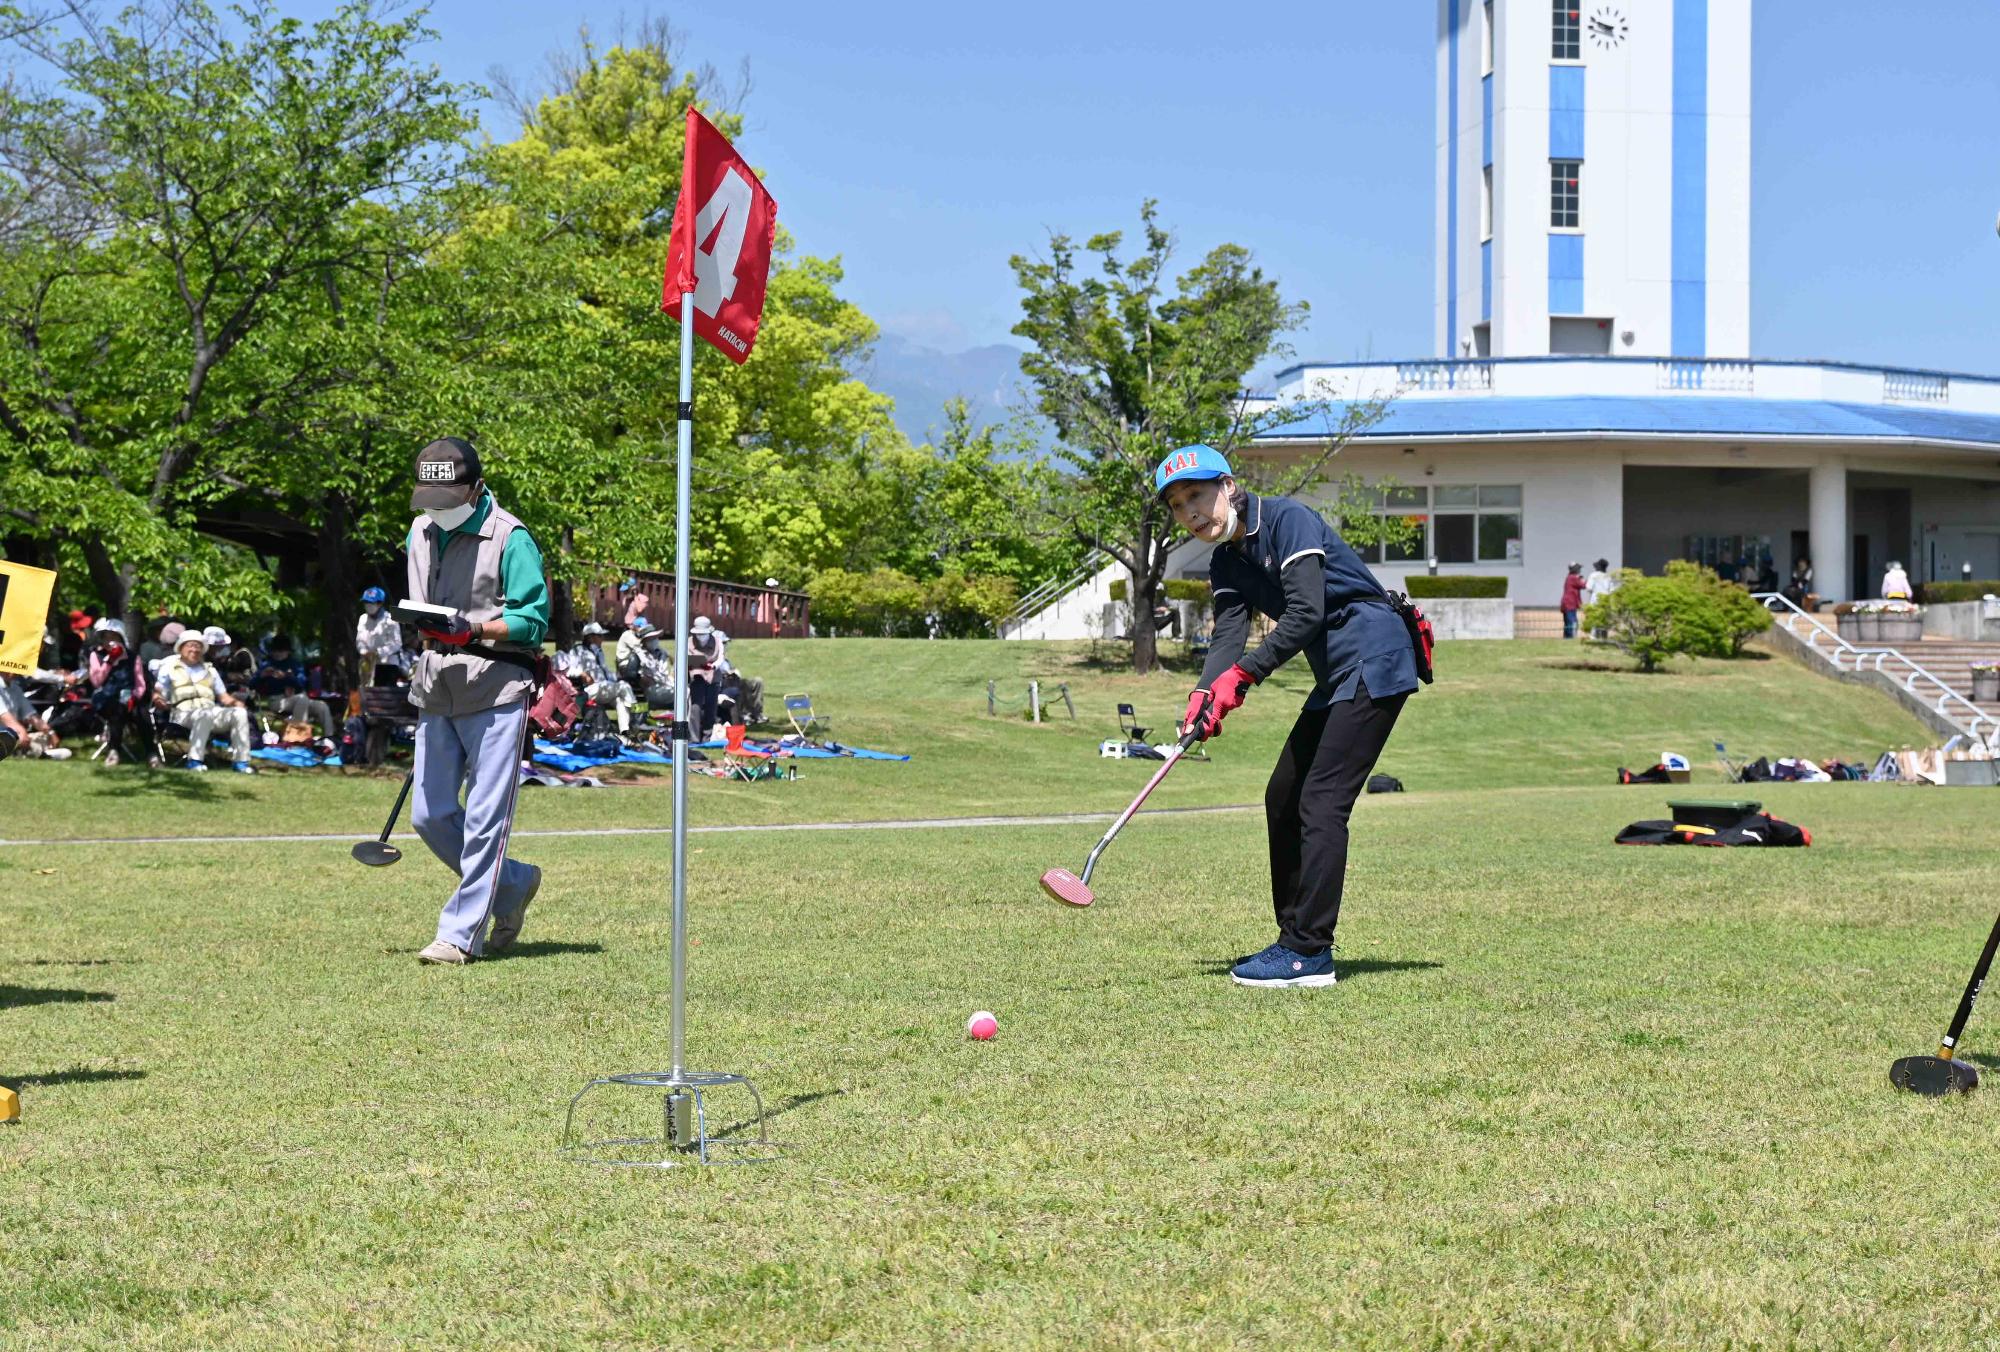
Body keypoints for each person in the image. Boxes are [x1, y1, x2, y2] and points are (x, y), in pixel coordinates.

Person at [1158, 444, 1419, 989]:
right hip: (1336, 671)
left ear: (1228, 486)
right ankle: (1291, 940)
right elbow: (1228, 635)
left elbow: (1306, 613)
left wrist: (1245, 677)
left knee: (1323, 799)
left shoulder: (1288, 520)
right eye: (1179, 505)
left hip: (1375, 653)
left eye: (1198, 495)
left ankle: (1308, 951)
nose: (1191, 513)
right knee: (1284, 794)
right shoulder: (1226, 562)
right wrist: (1205, 694)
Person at [401, 436, 547, 966]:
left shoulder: (512, 538)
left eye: (448, 500)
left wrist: (476, 630)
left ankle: (459, 935)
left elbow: (533, 620)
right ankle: (513, 884)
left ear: (477, 488)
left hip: (497, 687)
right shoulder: (420, 530)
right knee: (429, 814)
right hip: (436, 685)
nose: (437, 512)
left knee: (486, 819)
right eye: (429, 500)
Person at [152, 630, 255, 773]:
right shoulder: (170, 668)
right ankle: (194, 761)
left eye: (198, 646)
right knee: (204, 714)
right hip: (182, 714)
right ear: (181, 648)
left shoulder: (210, 670)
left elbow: (223, 696)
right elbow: (158, 692)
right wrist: (159, 700)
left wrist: (237, 704)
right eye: (190, 645)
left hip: (210, 711)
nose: (194, 649)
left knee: (239, 713)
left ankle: (241, 761)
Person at [87, 621, 160, 768]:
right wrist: (109, 661)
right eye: (106, 637)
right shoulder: (97, 655)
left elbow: (140, 684)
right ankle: (114, 750)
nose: (110, 641)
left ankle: (152, 754)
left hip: (130, 697)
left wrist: (135, 697)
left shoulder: (133, 657)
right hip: (106, 698)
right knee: (116, 710)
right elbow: (96, 682)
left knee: (142, 713)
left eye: (113, 637)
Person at [559, 620, 636, 733]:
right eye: (600, 636)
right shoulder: (577, 651)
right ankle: (637, 718)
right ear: (590, 637)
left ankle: (625, 731)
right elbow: (568, 669)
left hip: (604, 688)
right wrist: (582, 674)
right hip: (590, 689)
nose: (603, 638)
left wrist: (617, 677)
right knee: (623, 687)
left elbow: (605, 671)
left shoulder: (599, 652)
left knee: (620, 700)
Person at [355, 585, 408, 685]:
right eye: (366, 602)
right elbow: (359, 640)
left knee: (384, 697)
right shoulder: (363, 618)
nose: (368, 605)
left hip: (387, 665)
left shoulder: (390, 619)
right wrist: (364, 652)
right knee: (366, 695)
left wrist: (378, 653)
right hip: (367, 664)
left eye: (371, 602)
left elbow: (396, 643)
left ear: (380, 603)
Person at [0, 674, 61, 760]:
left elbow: (30, 714)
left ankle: (33, 751)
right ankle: (40, 753)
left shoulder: (15, 688)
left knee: (43, 738)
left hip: (10, 735)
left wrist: (50, 732)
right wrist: (21, 733)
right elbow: (4, 716)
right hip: (5, 735)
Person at [685, 615, 723, 742]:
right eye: (698, 634)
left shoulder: (718, 641)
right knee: (695, 707)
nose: (700, 636)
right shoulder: (688, 642)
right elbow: (685, 660)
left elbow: (721, 658)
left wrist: (713, 666)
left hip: (714, 677)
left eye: (703, 634)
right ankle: (694, 737)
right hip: (697, 678)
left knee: (711, 707)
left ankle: (708, 735)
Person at [1560, 562, 1587, 639]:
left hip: (1568, 603)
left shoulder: (1570, 577)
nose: (1579, 569)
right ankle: (1571, 638)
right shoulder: (1573, 578)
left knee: (1568, 623)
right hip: (1570, 603)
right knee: (1572, 622)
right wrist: (1584, 579)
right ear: (1573, 569)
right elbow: (1584, 585)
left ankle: (1567, 637)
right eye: (1578, 568)